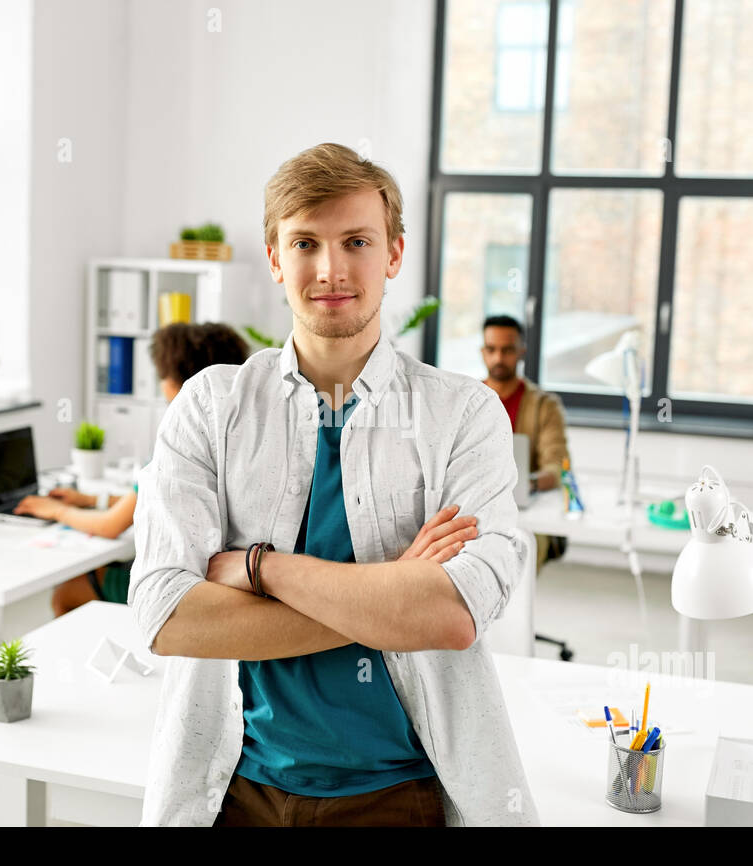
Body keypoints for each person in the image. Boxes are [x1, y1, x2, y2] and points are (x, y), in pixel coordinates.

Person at [130, 142, 538, 827]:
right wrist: (389, 594)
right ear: (274, 257)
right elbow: (167, 618)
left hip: (394, 792)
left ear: (395, 254)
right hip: (232, 791)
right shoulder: (210, 406)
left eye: (356, 240)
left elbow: (450, 617)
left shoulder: (463, 415)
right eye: (305, 243)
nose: (330, 269)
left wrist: (260, 568)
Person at [14, 321, 249, 616]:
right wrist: (90, 501)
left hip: (183, 578)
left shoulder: (181, 443)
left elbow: (110, 526)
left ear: (178, 384)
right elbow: (162, 499)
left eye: (162, 376)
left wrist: (55, 510)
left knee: (68, 590)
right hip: (227, 574)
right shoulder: (242, 435)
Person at [480, 314, 572, 573]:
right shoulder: (466, 399)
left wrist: (526, 484)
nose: (498, 358)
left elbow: (557, 466)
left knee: (518, 553)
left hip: (524, 513)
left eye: (507, 350)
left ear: (521, 352)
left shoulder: (545, 406)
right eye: (491, 349)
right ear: (482, 351)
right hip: (473, 505)